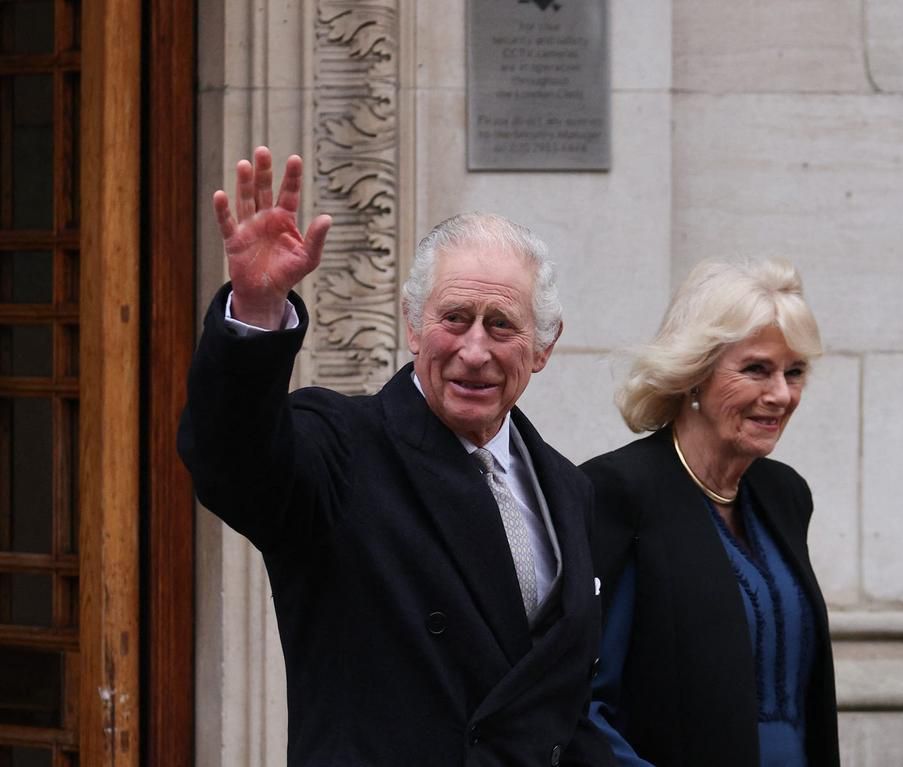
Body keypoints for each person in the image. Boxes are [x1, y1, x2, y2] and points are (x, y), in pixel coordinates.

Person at [177, 146, 614, 766]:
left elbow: (561, 710)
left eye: (500, 325)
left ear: (543, 346)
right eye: (454, 318)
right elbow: (232, 465)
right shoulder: (342, 446)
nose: (473, 350)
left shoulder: (568, 490)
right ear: (412, 325)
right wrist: (255, 314)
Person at [583, 259, 841, 766]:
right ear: (694, 374)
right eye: (756, 369)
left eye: (795, 372)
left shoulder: (785, 494)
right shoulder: (619, 492)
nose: (781, 395)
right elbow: (585, 704)